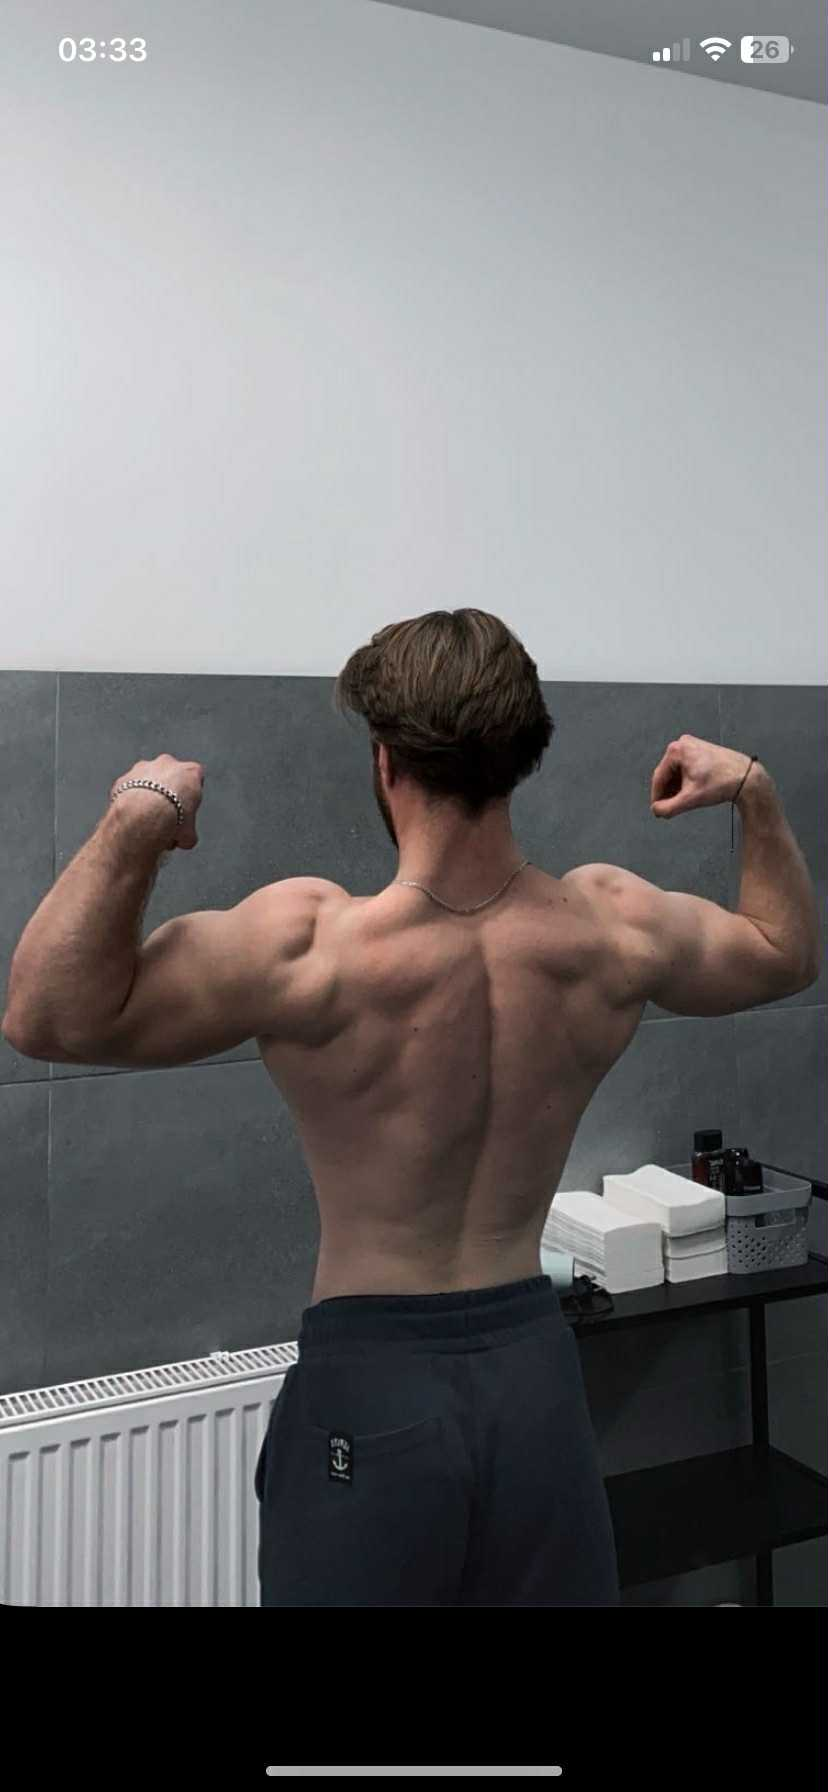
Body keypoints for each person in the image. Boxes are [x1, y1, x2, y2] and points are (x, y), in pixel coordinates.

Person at [3, 609, 820, 1606]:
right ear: (521, 759)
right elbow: (784, 952)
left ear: (386, 762)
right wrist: (754, 791)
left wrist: (140, 816)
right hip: (536, 1380)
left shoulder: (311, 948)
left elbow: (45, 1015)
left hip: (374, 1381)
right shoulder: (610, 929)